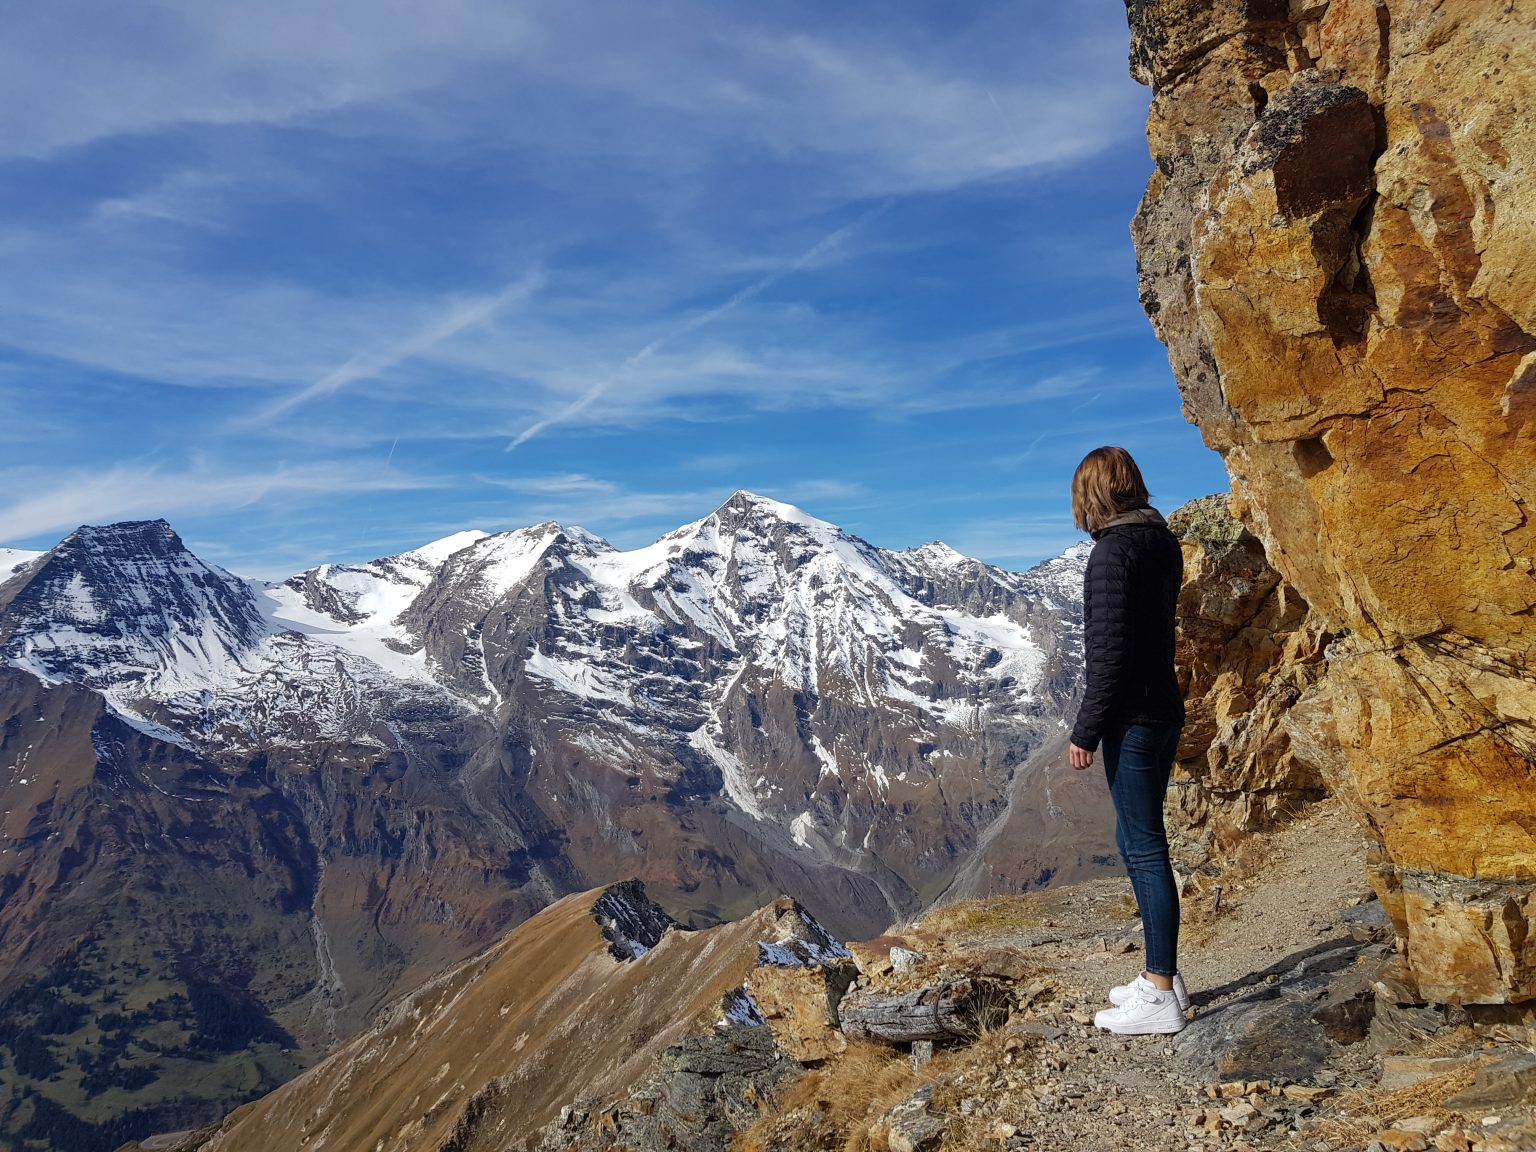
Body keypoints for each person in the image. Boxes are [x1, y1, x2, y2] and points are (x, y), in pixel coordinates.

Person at [1067, 446, 1188, 1035]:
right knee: (1136, 838)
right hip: (1163, 708)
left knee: (1144, 848)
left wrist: (1086, 729)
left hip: (1133, 719)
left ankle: (1161, 992)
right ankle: (1157, 975)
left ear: (1092, 495)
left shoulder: (1112, 555)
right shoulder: (1161, 543)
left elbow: (1110, 655)